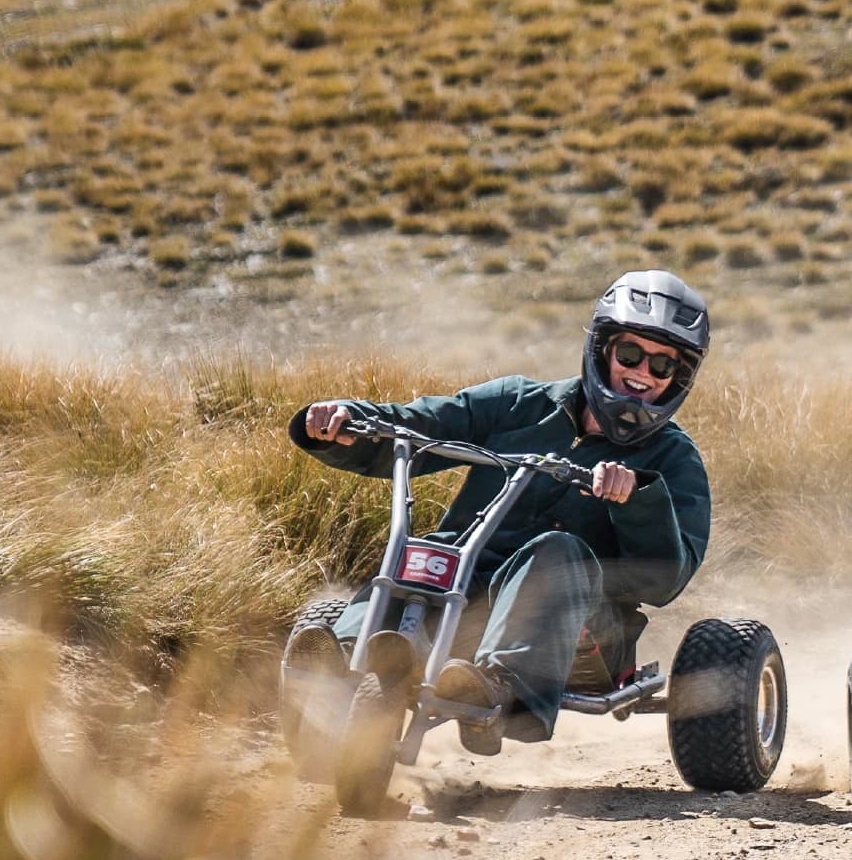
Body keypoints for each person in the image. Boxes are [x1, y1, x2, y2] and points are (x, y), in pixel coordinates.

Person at [283, 270, 711, 754]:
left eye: (661, 366)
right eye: (630, 354)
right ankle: (340, 663)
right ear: (602, 350)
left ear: (679, 379)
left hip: (582, 630)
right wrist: (343, 420)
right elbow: (418, 424)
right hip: (463, 598)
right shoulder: (516, 404)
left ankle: (496, 689)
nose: (642, 372)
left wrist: (636, 500)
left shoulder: (673, 460)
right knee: (429, 551)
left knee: (556, 550)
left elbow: (663, 582)